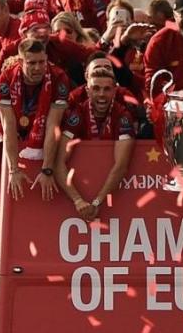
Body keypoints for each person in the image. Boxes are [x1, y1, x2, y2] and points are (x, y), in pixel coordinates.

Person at [0, 39, 70, 210]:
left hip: (43, 125)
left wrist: (47, 169)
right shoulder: (6, 79)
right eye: (32, 63)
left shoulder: (59, 77)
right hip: (10, 125)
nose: (38, 68)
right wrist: (14, 170)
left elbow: (52, 125)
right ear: (20, 61)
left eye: (42, 62)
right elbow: (8, 126)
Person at [56, 68, 135, 221]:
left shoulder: (123, 116)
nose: (101, 94)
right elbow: (58, 163)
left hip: (112, 204)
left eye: (107, 89)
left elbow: (121, 166)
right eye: (96, 88)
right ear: (87, 90)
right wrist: (78, 200)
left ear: (114, 91)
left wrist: (98, 201)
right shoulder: (78, 114)